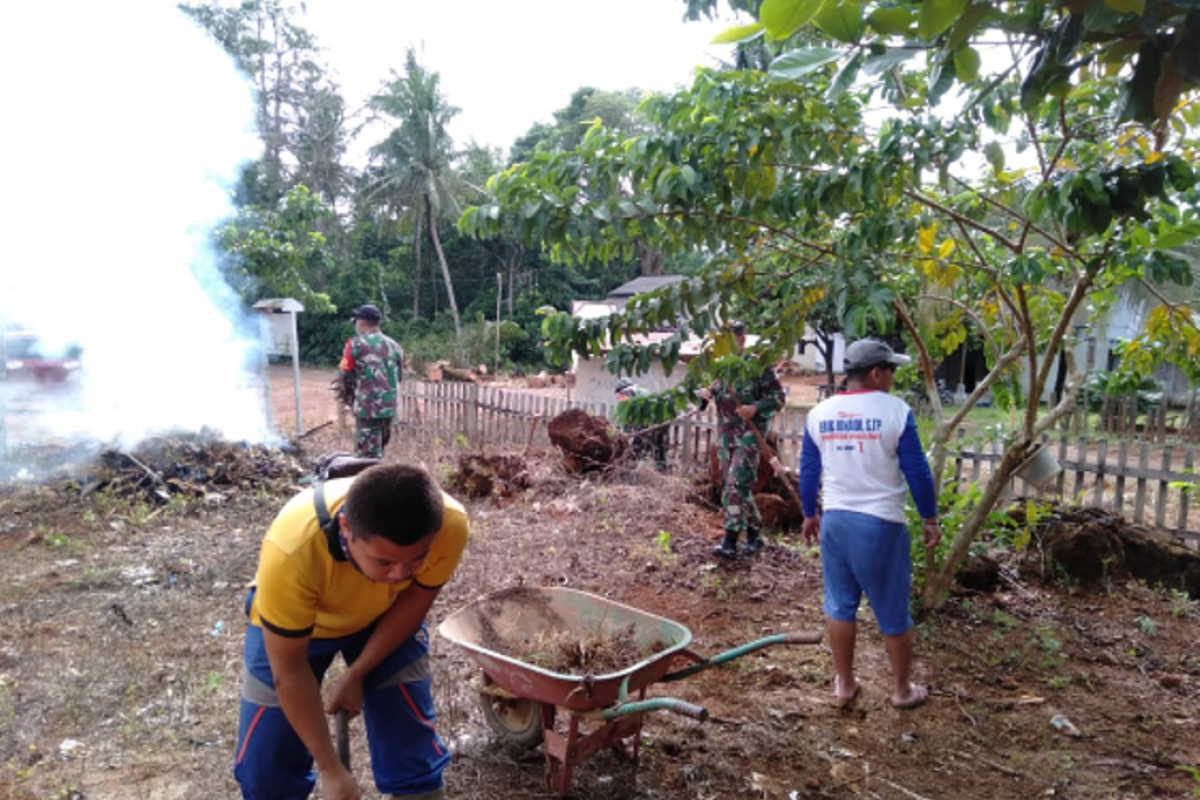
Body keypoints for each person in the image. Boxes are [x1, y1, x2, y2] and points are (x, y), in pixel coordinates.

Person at [233, 463, 468, 800]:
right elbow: (289, 672)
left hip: (387, 614)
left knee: (409, 740)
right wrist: (332, 770)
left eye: (416, 559)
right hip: (304, 627)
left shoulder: (450, 524)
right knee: (266, 765)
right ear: (345, 527)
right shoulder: (293, 550)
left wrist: (358, 673)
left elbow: (415, 597)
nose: (400, 574)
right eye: (384, 562)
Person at [798, 338, 941, 711]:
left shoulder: (820, 413)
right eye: (891, 370)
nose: (893, 376)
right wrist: (929, 517)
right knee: (892, 610)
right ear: (876, 373)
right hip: (880, 525)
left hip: (836, 523)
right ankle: (901, 690)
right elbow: (917, 472)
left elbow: (809, 469)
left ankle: (845, 684)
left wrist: (809, 514)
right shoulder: (895, 411)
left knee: (840, 605)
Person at [697, 321, 786, 559]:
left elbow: (778, 397)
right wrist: (705, 396)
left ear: (742, 340)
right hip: (726, 435)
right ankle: (755, 535)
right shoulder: (721, 369)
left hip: (749, 434)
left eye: (730, 341)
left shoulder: (758, 366)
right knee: (737, 485)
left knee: (736, 484)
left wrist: (755, 408)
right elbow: (707, 396)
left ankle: (729, 541)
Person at [339, 304, 404, 459]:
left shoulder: (354, 345)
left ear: (361, 322)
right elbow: (399, 377)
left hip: (367, 409)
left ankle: (372, 482)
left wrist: (349, 401)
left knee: (367, 457)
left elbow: (344, 375)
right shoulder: (395, 346)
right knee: (380, 449)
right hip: (389, 408)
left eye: (356, 321)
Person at [614, 377, 669, 471]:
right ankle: (661, 470)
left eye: (620, 395)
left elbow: (629, 416)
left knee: (640, 446)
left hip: (650, 423)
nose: (620, 397)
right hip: (661, 421)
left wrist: (626, 432)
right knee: (660, 447)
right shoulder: (643, 391)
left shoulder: (628, 393)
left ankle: (640, 471)